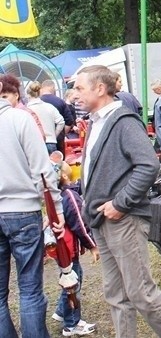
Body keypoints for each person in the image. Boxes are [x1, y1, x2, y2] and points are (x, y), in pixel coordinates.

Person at [73, 65, 161, 338]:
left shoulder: (123, 121)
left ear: (99, 88)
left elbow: (147, 166)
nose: (74, 94)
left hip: (123, 218)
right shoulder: (97, 121)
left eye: (79, 87)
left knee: (140, 291)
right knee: (116, 294)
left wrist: (120, 203)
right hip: (102, 219)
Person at [0, 77, 64, 338]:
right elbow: (43, 170)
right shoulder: (19, 118)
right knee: (29, 288)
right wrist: (56, 207)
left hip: (17, 208)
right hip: (22, 209)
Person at [48, 160, 99, 336]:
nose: (66, 162)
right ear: (63, 175)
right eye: (63, 164)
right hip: (68, 250)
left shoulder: (59, 195)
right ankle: (72, 324)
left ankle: (62, 312)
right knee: (72, 283)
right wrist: (92, 245)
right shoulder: (69, 197)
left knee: (67, 279)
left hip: (61, 249)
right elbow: (80, 224)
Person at [0, 73, 46, 139]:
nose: (1, 100)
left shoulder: (26, 113)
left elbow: (40, 137)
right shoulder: (4, 114)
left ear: (16, 95)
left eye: (4, 97)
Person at [26, 81, 66, 155]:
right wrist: (54, 134)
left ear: (28, 95)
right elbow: (61, 122)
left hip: (35, 143)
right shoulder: (49, 107)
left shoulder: (26, 110)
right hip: (51, 142)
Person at [40, 80, 76, 153]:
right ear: (53, 88)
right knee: (59, 163)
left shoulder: (36, 103)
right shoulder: (60, 102)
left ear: (42, 88)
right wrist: (62, 133)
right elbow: (69, 121)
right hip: (58, 140)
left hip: (40, 140)